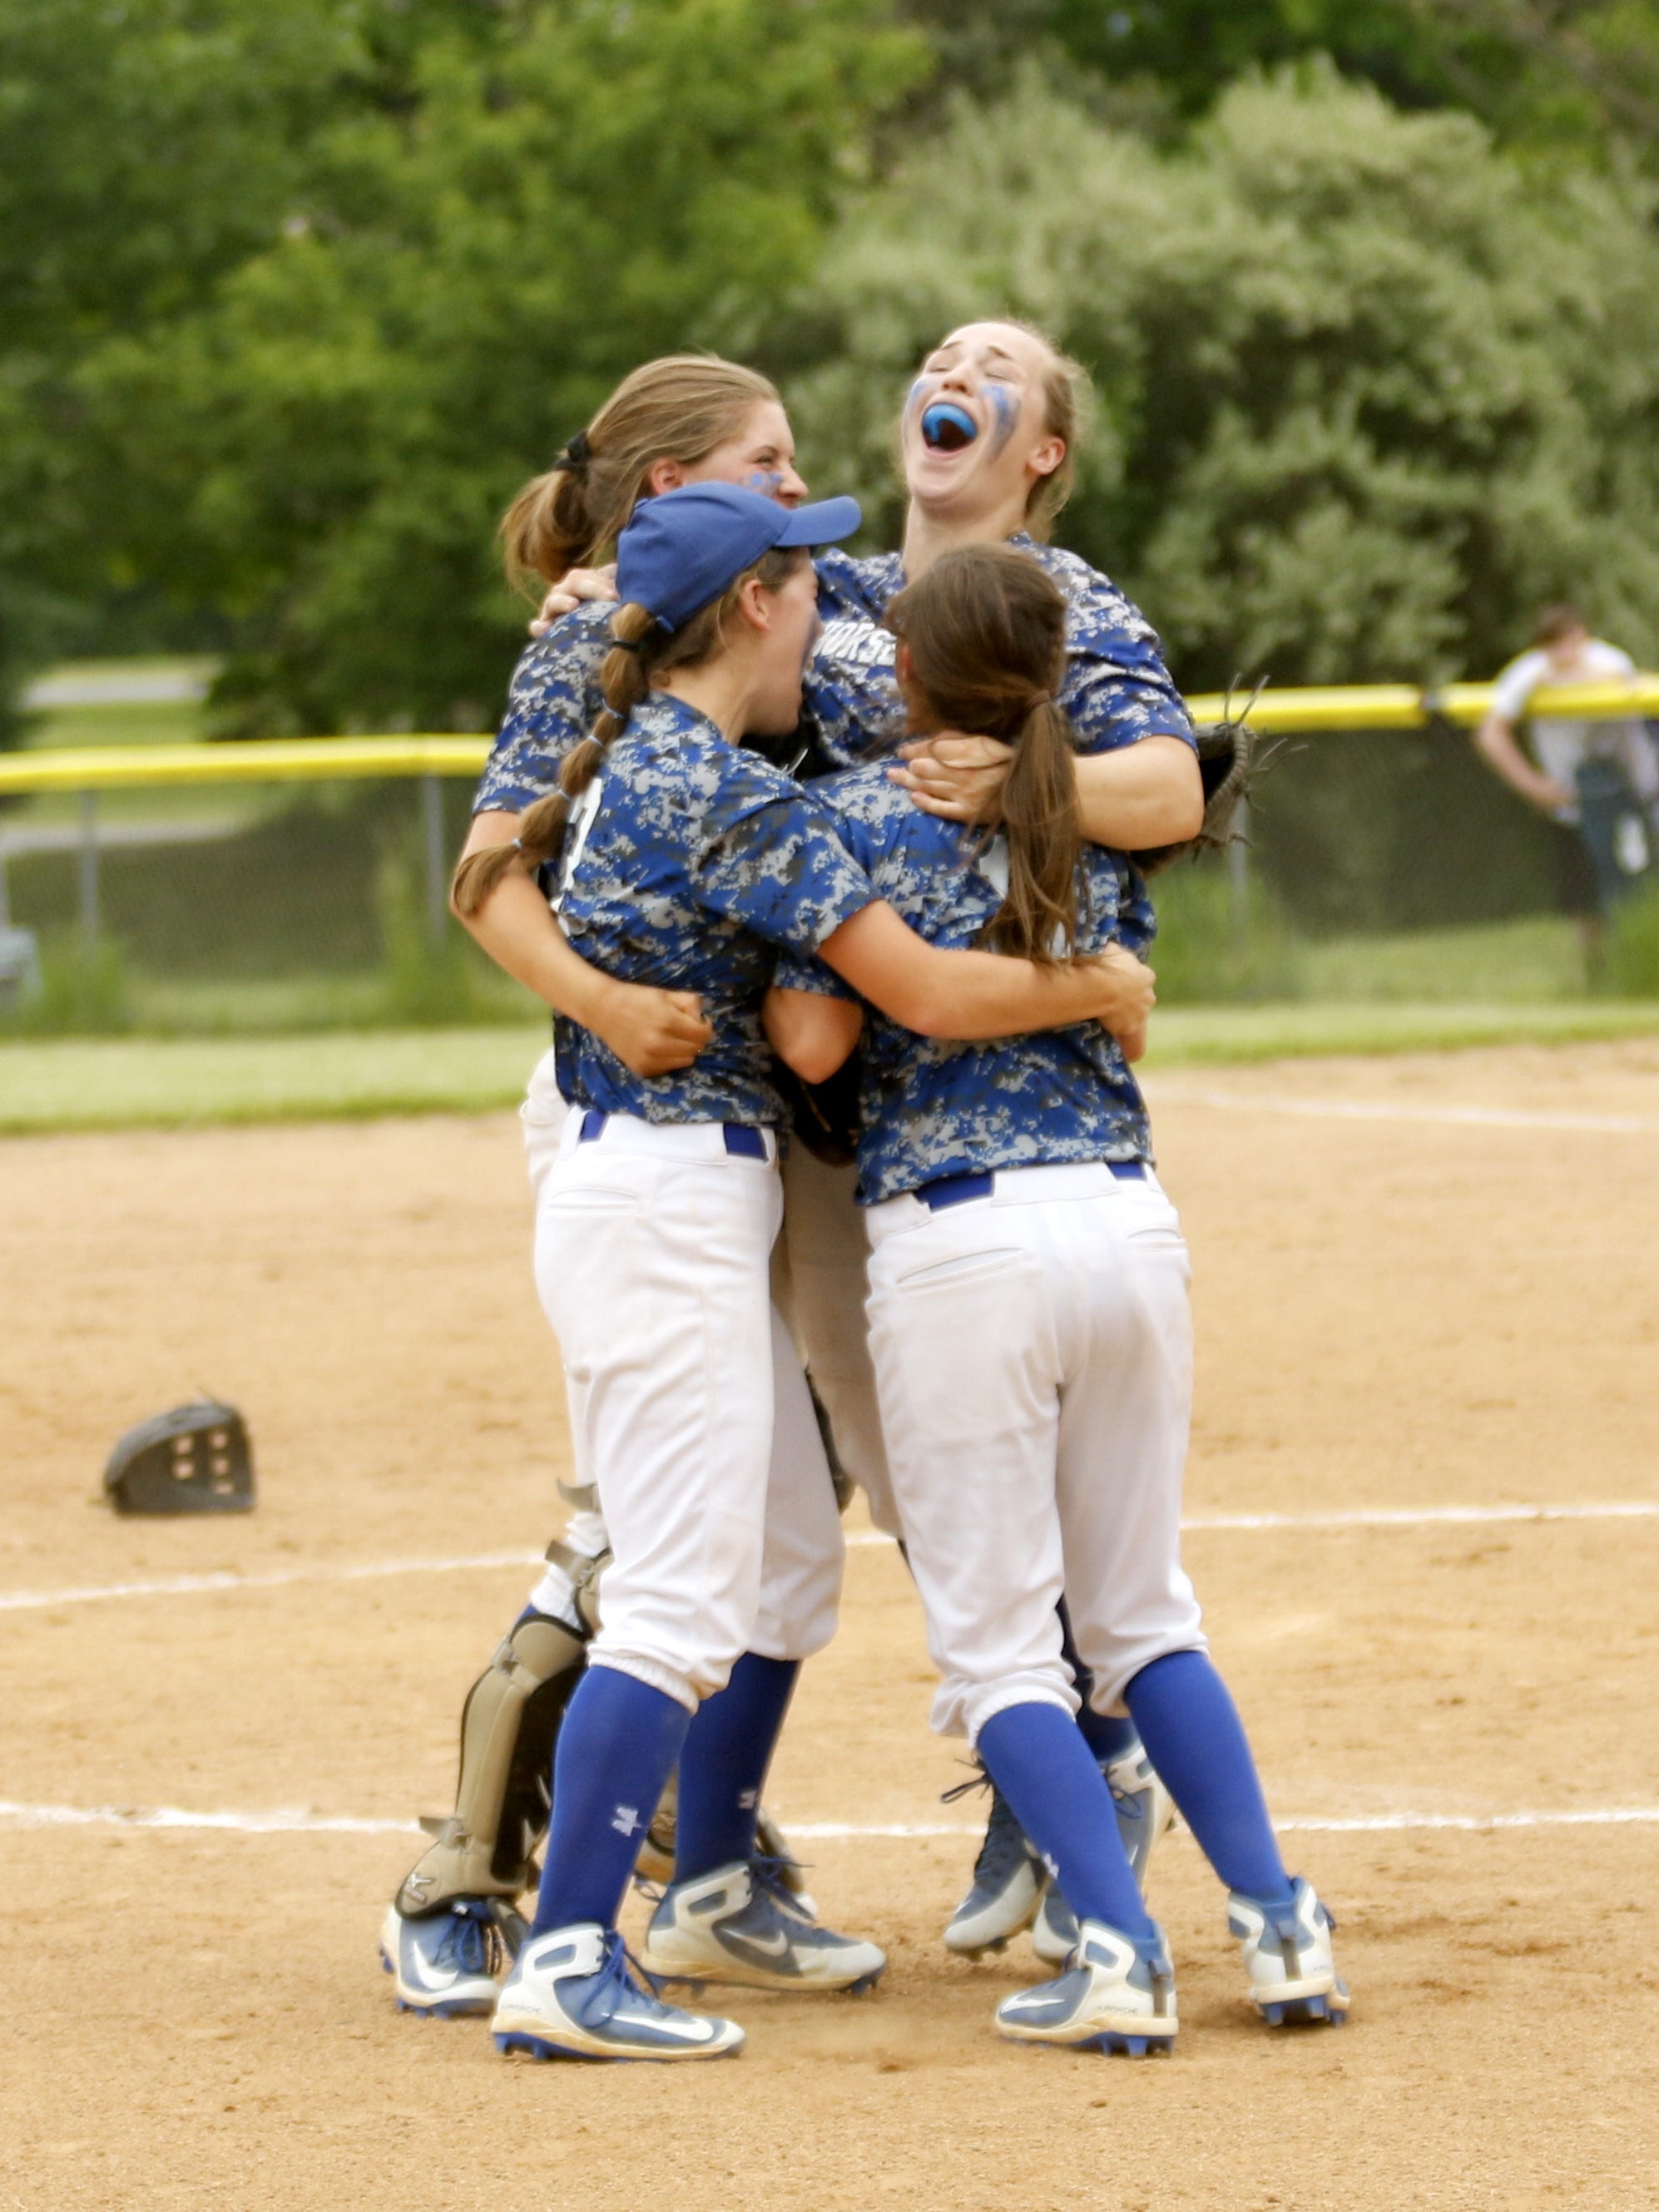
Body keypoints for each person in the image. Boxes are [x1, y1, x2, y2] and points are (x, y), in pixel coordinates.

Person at [382, 334, 1196, 2014]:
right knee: (664, 1521)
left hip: (822, 1137)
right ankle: (480, 1873)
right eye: (766, 468)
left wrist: (1022, 767)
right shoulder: (705, 614)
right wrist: (613, 1002)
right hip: (680, 1105)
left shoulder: (1017, 600)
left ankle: (1007, 1811)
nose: (797, 488)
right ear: (689, 509)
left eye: (1001, 372)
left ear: (1039, 450)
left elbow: (1168, 789)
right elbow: (492, 871)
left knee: (905, 1487)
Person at [765, 542, 1349, 2053]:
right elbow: (1127, 1030)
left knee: (1000, 1647)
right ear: (1048, 682)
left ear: (901, 676)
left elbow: (817, 1043)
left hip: (960, 1253)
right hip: (1124, 1221)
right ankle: (1279, 1921)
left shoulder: (850, 812)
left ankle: (1117, 1946)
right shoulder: (1093, 829)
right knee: (1143, 1612)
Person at [1474, 604, 1658, 958]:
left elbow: (1632, 697)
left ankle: (1644, 965)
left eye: (1570, 640)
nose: (1564, 652)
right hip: (1573, 804)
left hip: (1631, 798)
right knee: (1585, 902)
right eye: (1552, 643)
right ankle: (1600, 980)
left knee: (1639, 892)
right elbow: (1490, 733)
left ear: (1584, 636)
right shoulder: (1529, 674)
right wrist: (1534, 786)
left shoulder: (1611, 662)